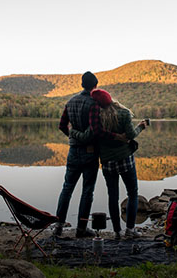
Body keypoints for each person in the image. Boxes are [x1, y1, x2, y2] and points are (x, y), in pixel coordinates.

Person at [70, 89, 147, 240]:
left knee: (113, 196)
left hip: (107, 163)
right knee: (132, 193)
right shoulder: (123, 114)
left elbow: (89, 135)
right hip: (125, 159)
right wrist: (141, 127)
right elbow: (131, 135)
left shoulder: (96, 118)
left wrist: (72, 131)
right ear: (110, 99)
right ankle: (130, 230)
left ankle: (117, 231)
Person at [54, 72, 125, 238]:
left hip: (73, 151)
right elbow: (96, 130)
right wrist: (115, 136)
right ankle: (81, 228)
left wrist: (72, 138)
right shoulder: (93, 103)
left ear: (81, 84)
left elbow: (62, 126)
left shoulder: (70, 101)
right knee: (87, 191)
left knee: (67, 188)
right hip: (89, 152)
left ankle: (58, 227)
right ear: (95, 85)